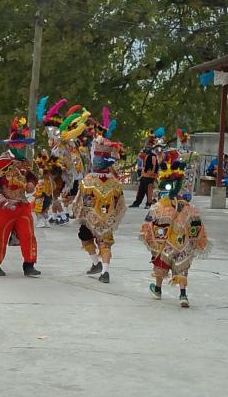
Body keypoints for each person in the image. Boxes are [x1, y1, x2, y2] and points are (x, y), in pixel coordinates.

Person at [140, 148, 209, 308]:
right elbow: (197, 227)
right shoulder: (188, 207)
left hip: (164, 246)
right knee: (182, 268)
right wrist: (192, 242)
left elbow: (147, 227)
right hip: (181, 245)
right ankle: (183, 295)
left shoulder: (157, 207)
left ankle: (158, 289)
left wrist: (153, 239)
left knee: (159, 262)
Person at [74, 107, 126, 284]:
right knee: (105, 243)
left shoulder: (88, 180)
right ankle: (104, 271)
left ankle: (96, 263)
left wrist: (82, 215)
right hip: (108, 219)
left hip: (92, 218)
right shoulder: (115, 182)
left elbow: (82, 203)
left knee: (85, 237)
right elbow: (121, 204)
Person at [0, 117, 41, 277]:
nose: (22, 147)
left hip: (22, 205)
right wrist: (2, 200)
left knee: (28, 235)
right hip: (4, 207)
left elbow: (31, 178)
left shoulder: (23, 161)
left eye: (23, 144)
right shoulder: (1, 162)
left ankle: (29, 264)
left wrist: (31, 183)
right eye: (19, 144)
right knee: (0, 236)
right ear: (11, 144)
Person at [130, 128, 163, 208]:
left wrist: (153, 173)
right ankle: (137, 203)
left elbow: (156, 164)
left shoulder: (154, 154)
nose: (147, 145)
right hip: (144, 174)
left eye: (149, 144)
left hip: (150, 175)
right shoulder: (146, 153)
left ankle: (149, 203)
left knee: (149, 189)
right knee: (141, 189)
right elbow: (141, 156)